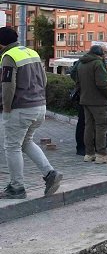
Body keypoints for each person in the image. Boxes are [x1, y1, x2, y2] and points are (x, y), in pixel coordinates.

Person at [0, 27, 63, 199]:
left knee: (11, 146)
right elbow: (44, 80)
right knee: (25, 142)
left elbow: (8, 86)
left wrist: (6, 109)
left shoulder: (8, 57)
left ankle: (16, 187)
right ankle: (50, 173)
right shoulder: (31, 52)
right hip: (39, 106)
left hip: (20, 109)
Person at [77, 45, 107, 164]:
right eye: (104, 54)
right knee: (101, 127)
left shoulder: (81, 63)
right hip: (98, 101)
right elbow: (102, 84)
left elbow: (77, 80)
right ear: (100, 54)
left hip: (85, 99)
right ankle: (101, 155)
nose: (104, 56)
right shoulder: (97, 63)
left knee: (88, 126)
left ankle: (89, 153)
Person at [68, 58, 86, 156]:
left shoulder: (82, 61)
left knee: (83, 123)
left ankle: (82, 147)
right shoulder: (85, 61)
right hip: (85, 97)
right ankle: (81, 147)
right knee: (83, 123)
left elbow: (73, 73)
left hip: (84, 95)